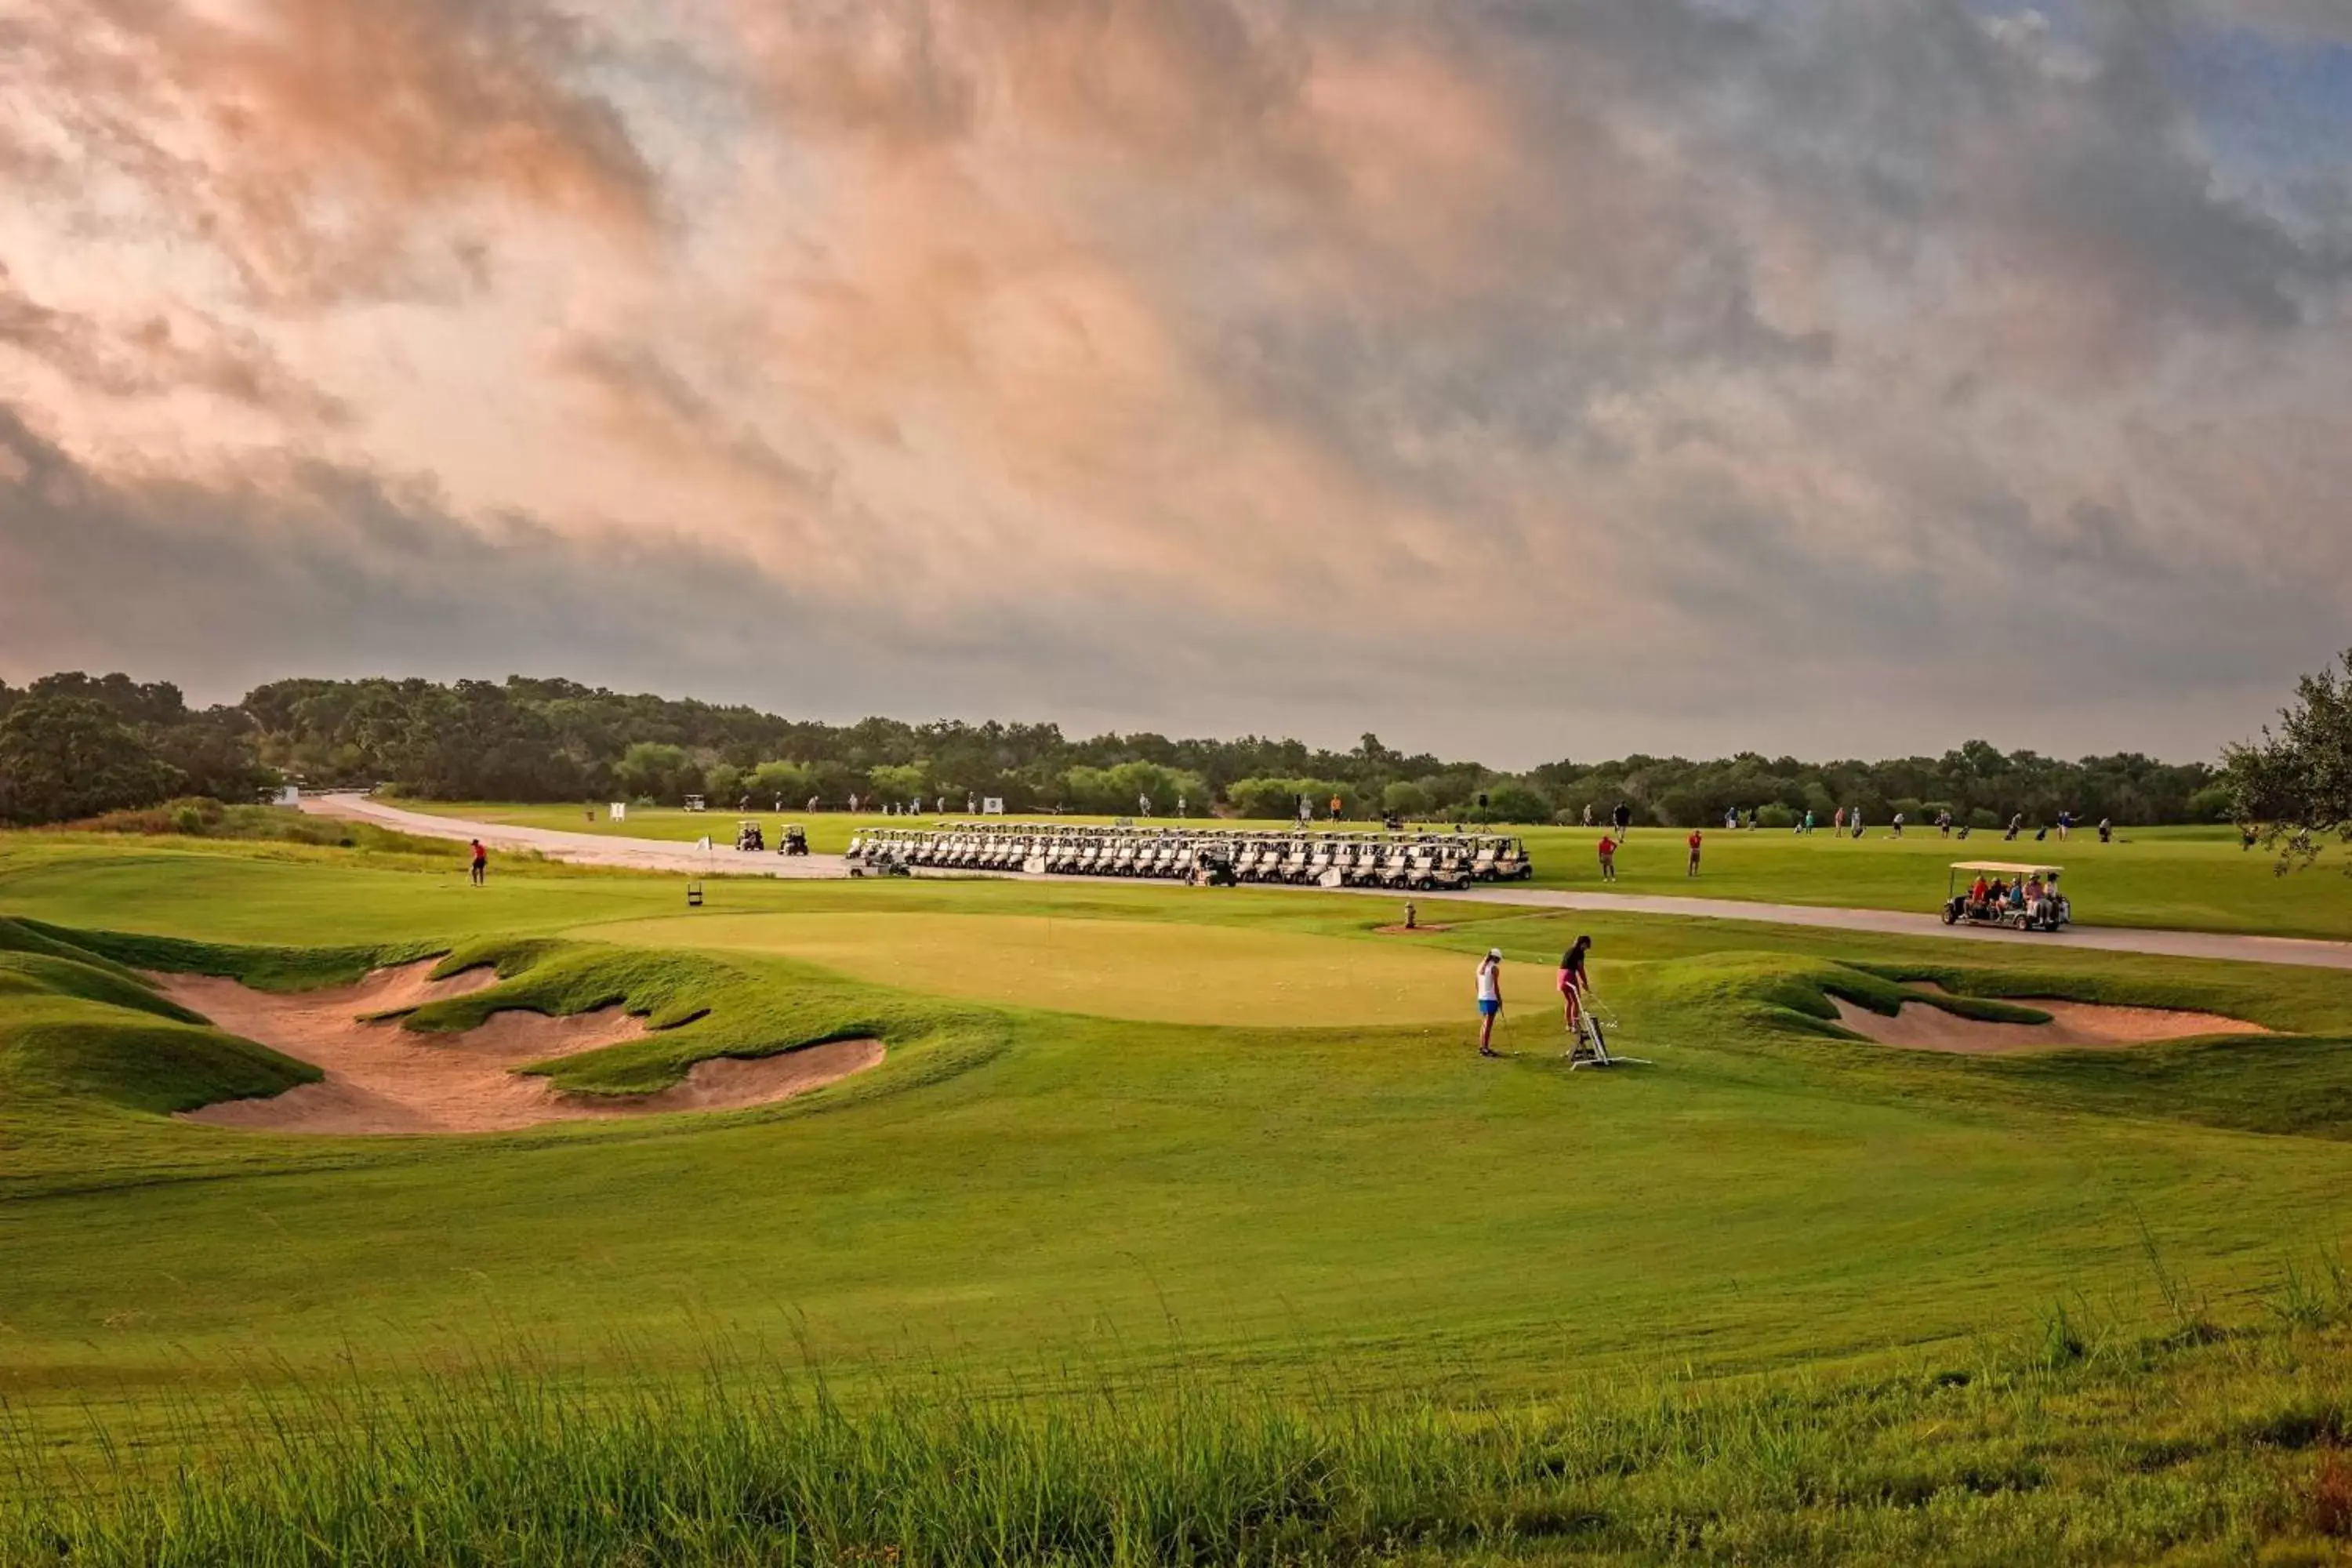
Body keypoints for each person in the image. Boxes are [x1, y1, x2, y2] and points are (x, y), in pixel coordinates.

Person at [1558, 935, 1592, 1036]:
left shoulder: (1570, 950)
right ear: (1583, 944)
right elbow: (1580, 969)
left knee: (1569, 1001)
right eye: (1586, 945)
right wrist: (1585, 983)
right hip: (1569, 975)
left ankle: (1568, 1025)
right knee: (1576, 1001)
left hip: (1561, 975)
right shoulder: (1579, 953)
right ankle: (1575, 1026)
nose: (1586, 948)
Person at [1475, 949, 1504, 1058]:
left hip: (1482, 997)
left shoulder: (1480, 966)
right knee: (1488, 1024)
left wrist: (1479, 995)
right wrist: (1499, 999)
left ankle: (1482, 1047)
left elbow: (1476, 982)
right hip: (1491, 998)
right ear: (1495, 958)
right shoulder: (1494, 968)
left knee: (1484, 1023)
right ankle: (1485, 1048)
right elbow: (1495, 986)